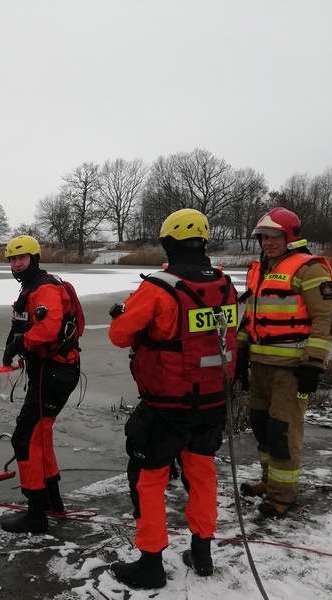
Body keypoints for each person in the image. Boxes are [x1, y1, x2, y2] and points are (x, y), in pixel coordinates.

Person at [108, 208, 238, 589]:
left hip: (168, 404)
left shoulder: (158, 288)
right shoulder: (225, 284)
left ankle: (150, 564)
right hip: (213, 400)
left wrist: (125, 314)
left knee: (147, 478)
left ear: (168, 242)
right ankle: (202, 553)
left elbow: (119, 336)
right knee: (201, 473)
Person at [235, 207, 332, 518]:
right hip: (261, 363)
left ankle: (282, 497)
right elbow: (251, 317)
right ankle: (269, 481)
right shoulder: (260, 270)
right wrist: (241, 353)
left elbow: (325, 318)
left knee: (283, 431)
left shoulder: (309, 269)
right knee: (262, 426)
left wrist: (314, 364)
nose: (268, 242)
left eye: (274, 236)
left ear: (290, 237)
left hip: (292, 369)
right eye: (264, 237)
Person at [0, 234, 82, 534]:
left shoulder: (44, 288)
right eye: (12, 259)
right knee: (40, 433)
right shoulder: (31, 288)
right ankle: (52, 501)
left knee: (25, 438)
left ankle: (35, 514)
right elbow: (23, 322)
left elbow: (48, 328)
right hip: (52, 371)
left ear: (34, 259)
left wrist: (23, 341)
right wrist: (13, 344)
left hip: (55, 372)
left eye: (22, 258)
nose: (17, 263)